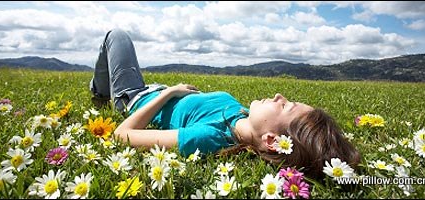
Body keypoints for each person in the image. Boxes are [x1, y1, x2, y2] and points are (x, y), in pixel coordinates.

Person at [89, 29, 361, 180]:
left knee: (117, 36)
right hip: (156, 90)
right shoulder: (245, 117)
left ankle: (100, 93)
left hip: (135, 97)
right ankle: (102, 89)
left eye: (285, 106)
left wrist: (169, 93)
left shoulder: (209, 138)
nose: (279, 96)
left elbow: (122, 135)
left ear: (270, 140)